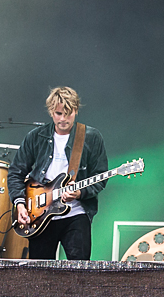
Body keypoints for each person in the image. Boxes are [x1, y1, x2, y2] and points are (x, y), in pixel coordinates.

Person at [9, 87, 108, 261]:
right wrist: (20, 203)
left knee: (79, 269)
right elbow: (16, 172)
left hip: (76, 213)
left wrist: (80, 192)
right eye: (58, 114)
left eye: (68, 114)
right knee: (40, 271)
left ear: (76, 110)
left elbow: (100, 175)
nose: (63, 119)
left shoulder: (91, 137)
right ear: (51, 112)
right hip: (40, 216)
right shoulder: (36, 136)